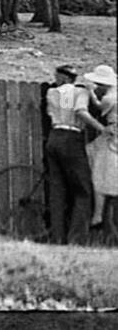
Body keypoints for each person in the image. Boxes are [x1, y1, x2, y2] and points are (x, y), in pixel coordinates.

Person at [44, 63, 104, 245]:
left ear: (63, 77)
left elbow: (64, 109)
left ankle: (57, 237)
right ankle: (76, 239)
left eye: (57, 76)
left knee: (58, 191)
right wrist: (101, 128)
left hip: (54, 137)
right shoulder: (77, 92)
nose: (55, 79)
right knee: (83, 190)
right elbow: (78, 112)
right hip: (71, 138)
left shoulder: (52, 93)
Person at [82, 64, 117, 231]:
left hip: (111, 136)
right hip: (110, 134)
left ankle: (97, 215)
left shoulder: (109, 98)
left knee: (98, 173)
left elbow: (88, 110)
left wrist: (89, 92)